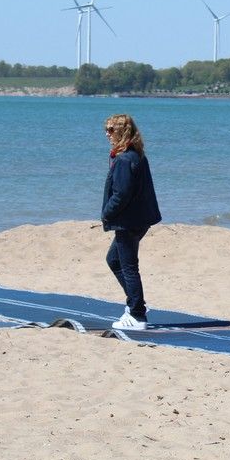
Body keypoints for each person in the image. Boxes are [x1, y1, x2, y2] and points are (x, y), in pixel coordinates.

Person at [102, 114, 162, 330]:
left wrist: (107, 214)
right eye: (106, 129)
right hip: (138, 219)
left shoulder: (125, 159)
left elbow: (122, 194)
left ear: (121, 132)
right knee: (114, 260)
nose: (106, 134)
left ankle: (137, 314)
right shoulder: (136, 155)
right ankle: (136, 304)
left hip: (128, 221)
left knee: (127, 265)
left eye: (110, 130)